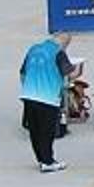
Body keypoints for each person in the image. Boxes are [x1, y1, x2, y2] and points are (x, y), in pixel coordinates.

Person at [21, 31, 74, 174]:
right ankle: (48, 161)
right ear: (64, 43)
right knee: (47, 131)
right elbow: (69, 73)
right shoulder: (59, 53)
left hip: (28, 95)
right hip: (48, 98)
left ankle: (41, 159)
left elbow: (23, 72)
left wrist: (26, 88)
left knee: (35, 130)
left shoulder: (33, 49)